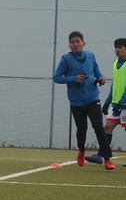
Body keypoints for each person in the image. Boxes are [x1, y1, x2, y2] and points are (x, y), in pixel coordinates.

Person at [53, 30, 114, 170]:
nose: (75, 44)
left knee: (99, 128)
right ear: (69, 45)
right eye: (72, 42)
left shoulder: (90, 55)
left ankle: (107, 159)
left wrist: (101, 78)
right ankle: (81, 150)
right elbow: (57, 77)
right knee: (82, 129)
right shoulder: (66, 59)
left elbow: (96, 70)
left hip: (93, 98)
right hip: (77, 101)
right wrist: (73, 79)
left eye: (78, 41)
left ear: (83, 43)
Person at [97, 37, 126, 165]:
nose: (117, 50)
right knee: (107, 128)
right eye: (116, 47)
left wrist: (122, 102)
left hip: (124, 105)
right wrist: (108, 101)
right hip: (115, 104)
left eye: (121, 47)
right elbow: (115, 84)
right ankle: (101, 155)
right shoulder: (115, 63)